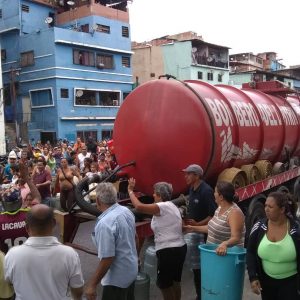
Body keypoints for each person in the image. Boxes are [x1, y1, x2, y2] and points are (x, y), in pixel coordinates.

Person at [4, 204, 84, 300]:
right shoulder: (69, 254)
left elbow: (9, 281)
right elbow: (77, 288)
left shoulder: (12, 255)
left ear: (26, 228)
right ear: (54, 223)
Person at [128, 178, 187, 300]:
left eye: (154, 192)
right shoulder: (172, 206)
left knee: (164, 285)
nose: (153, 194)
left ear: (159, 195)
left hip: (168, 251)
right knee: (175, 281)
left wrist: (130, 191)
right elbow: (181, 227)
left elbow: (139, 207)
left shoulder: (162, 206)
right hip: (179, 247)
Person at [85, 182, 138, 300]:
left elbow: (107, 258)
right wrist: (136, 257)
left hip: (117, 279)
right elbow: (135, 237)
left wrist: (92, 284)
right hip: (130, 270)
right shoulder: (126, 211)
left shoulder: (105, 223)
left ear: (98, 200)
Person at [246, 192, 300, 300]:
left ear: (282, 210)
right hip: (266, 283)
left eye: (270, 206)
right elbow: (250, 251)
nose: (266, 209)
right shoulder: (259, 227)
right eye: (265, 205)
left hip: (291, 285)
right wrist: (253, 277)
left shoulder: (296, 230)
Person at [182, 164, 217, 300]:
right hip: (194, 233)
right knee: (196, 269)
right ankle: (200, 294)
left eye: (188, 174)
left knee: (203, 268)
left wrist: (198, 224)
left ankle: (205, 295)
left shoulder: (206, 191)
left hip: (204, 235)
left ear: (196, 176)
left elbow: (212, 215)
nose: (186, 176)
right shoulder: (192, 189)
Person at [184, 181, 245, 250]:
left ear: (221, 197)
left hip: (227, 257)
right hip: (214, 254)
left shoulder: (234, 213)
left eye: (215, 192)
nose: (213, 194)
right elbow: (212, 228)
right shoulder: (219, 208)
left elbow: (236, 237)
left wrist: (225, 244)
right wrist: (192, 228)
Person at [0, 163, 40, 254]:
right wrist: (27, 178)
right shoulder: (30, 214)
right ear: (20, 200)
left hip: (7, 263)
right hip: (28, 259)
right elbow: (37, 197)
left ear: (3, 203)